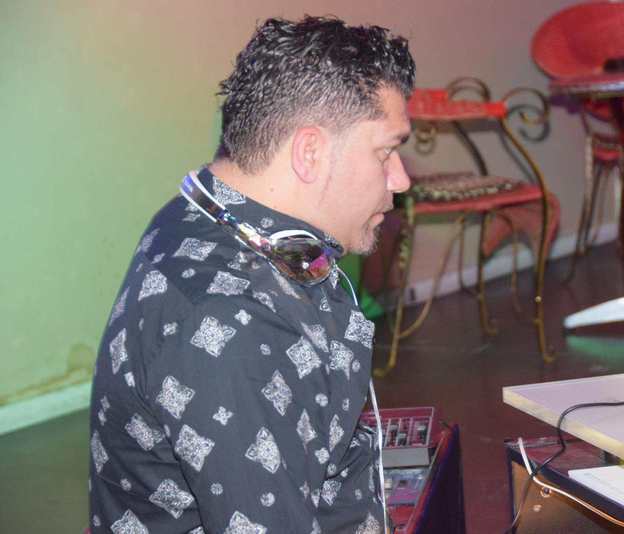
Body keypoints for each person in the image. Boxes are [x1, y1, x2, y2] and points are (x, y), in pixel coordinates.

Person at [88, 16, 414, 533]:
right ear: (310, 152)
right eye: (386, 151)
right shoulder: (228, 327)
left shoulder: (210, 214)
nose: (401, 179)